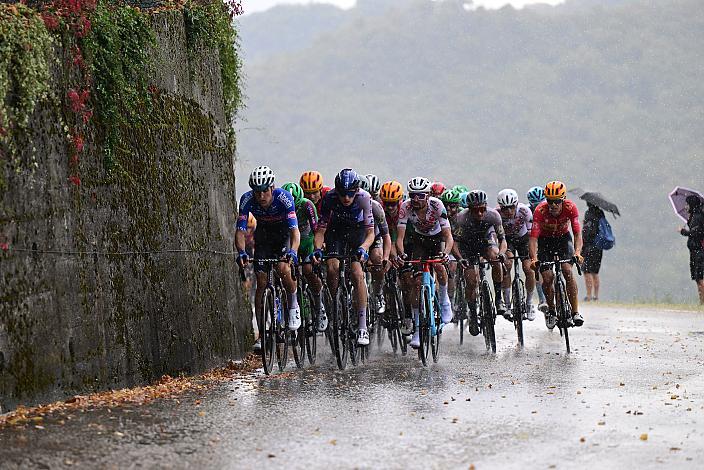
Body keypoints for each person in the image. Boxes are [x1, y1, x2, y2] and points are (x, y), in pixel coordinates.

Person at [236, 166, 301, 338]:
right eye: (257, 192)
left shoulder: (284, 198)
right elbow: (240, 232)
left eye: (265, 191)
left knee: (282, 268)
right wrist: (242, 252)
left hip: (283, 234)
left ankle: (293, 305)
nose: (261, 196)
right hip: (263, 235)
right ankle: (263, 334)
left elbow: (295, 231)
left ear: (272, 188)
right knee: (261, 282)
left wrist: (293, 251)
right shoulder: (247, 199)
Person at [312, 168, 375, 345]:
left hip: (358, 232)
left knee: (356, 272)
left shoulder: (364, 198)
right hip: (336, 232)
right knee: (332, 267)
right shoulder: (330, 198)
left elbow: (371, 233)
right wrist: (317, 248)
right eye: (342, 194)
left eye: (350, 194)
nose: (346, 198)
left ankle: (362, 326)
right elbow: (321, 230)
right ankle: (335, 304)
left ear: (356, 191)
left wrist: (363, 248)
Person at [395, 177, 454, 348]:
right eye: (413, 195)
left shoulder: (437, 205)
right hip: (419, 240)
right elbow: (399, 238)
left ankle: (444, 301)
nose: (416, 199)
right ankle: (418, 330)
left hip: (437, 238)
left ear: (428, 196)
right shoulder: (405, 207)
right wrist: (402, 254)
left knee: (439, 266)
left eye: (420, 196)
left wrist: (446, 254)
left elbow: (448, 236)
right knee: (417, 282)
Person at [451, 190, 508, 336]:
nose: (480, 213)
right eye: (476, 210)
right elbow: (454, 244)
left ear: (486, 207)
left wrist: (501, 253)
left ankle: (498, 300)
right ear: (469, 209)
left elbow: (502, 240)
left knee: (496, 260)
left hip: (485, 241)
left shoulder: (494, 216)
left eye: (482, 209)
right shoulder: (461, 219)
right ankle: (473, 314)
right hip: (467, 246)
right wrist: (459, 258)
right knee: (471, 281)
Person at [529, 181, 584, 328]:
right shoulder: (540, 211)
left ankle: (575, 311)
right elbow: (533, 238)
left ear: (563, 200)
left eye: (557, 202)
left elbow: (577, 234)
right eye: (550, 201)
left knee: (567, 270)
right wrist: (534, 258)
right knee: (548, 277)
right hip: (545, 242)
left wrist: (578, 253)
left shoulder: (570, 208)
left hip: (563, 240)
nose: (553, 205)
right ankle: (552, 311)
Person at [280, 182, 327, 331]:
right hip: (291, 240)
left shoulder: (307, 205)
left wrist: (319, 247)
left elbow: (316, 228)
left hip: (307, 241)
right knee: (283, 267)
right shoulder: (281, 206)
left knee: (308, 269)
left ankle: (320, 306)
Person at [496, 188, 536, 320]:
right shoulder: (497, 214)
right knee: (507, 265)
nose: (508, 211)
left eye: (511, 207)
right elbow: (497, 238)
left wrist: (532, 255)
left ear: (517, 205)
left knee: (529, 269)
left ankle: (529, 303)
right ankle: (507, 304)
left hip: (524, 239)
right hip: (508, 241)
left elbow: (532, 236)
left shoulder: (525, 211)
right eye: (505, 208)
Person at [358, 175, 392, 313]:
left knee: (377, 259)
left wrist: (385, 257)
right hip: (356, 240)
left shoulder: (376, 206)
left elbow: (386, 235)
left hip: (374, 237)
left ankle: (378, 293)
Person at [526, 186, 548, 312]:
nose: (538, 208)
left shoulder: (550, 208)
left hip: (549, 238)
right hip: (534, 239)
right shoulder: (527, 211)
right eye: (535, 205)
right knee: (537, 268)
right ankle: (542, 299)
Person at [679, 195, 704, 304]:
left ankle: (702, 302)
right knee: (697, 278)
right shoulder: (694, 216)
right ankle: (701, 302)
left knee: (700, 277)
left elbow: (696, 233)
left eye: (687, 204)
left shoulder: (699, 217)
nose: (686, 207)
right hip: (694, 251)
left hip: (699, 251)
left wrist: (683, 232)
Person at [582, 202, 606, 302]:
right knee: (595, 272)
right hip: (599, 247)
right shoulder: (600, 213)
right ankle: (596, 296)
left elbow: (587, 232)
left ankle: (588, 295)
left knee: (586, 271)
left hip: (589, 246)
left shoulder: (589, 214)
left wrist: (584, 224)